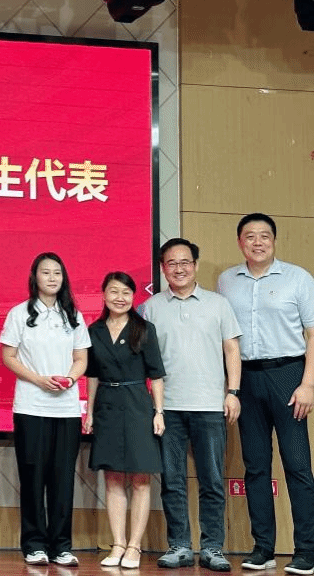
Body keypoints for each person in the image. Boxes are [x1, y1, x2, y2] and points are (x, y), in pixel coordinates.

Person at [217, 213, 314, 575]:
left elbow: (313, 334)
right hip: (247, 378)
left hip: (289, 375)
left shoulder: (298, 278)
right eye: (250, 236)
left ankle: (307, 550)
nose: (257, 242)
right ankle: (263, 549)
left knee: (298, 466)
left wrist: (308, 384)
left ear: (274, 240)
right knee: (256, 466)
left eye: (264, 236)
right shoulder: (227, 280)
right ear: (239, 241)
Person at [141, 238, 241, 572]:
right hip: (167, 407)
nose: (179, 268)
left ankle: (213, 547)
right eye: (171, 263)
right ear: (162, 268)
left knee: (212, 480)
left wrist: (233, 392)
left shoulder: (218, 304)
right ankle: (180, 546)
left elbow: (231, 350)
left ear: (195, 265)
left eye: (185, 262)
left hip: (210, 405)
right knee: (172, 481)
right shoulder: (151, 308)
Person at [0, 252, 90, 567]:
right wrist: (39, 380)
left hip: (66, 410)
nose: (52, 278)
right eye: (45, 272)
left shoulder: (73, 315)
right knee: (33, 477)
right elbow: (8, 356)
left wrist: (70, 379)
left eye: (57, 273)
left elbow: (81, 358)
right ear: (35, 277)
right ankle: (34, 544)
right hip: (31, 406)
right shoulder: (19, 313)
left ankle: (62, 546)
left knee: (63, 479)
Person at [84, 271, 165, 570]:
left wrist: (159, 412)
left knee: (141, 479)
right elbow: (92, 375)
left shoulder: (144, 329)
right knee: (113, 478)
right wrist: (89, 412)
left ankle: (134, 546)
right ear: (104, 295)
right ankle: (118, 543)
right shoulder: (94, 331)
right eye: (114, 291)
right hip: (107, 405)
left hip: (137, 405)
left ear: (133, 297)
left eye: (126, 293)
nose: (120, 298)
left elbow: (156, 375)